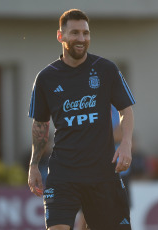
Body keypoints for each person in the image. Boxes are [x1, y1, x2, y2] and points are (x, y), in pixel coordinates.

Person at [27, 9, 135, 230]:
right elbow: (40, 125)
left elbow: (126, 109)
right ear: (61, 36)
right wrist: (34, 164)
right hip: (63, 173)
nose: (81, 39)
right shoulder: (46, 78)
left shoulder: (106, 69)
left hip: (103, 173)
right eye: (75, 33)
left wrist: (126, 144)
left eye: (85, 33)